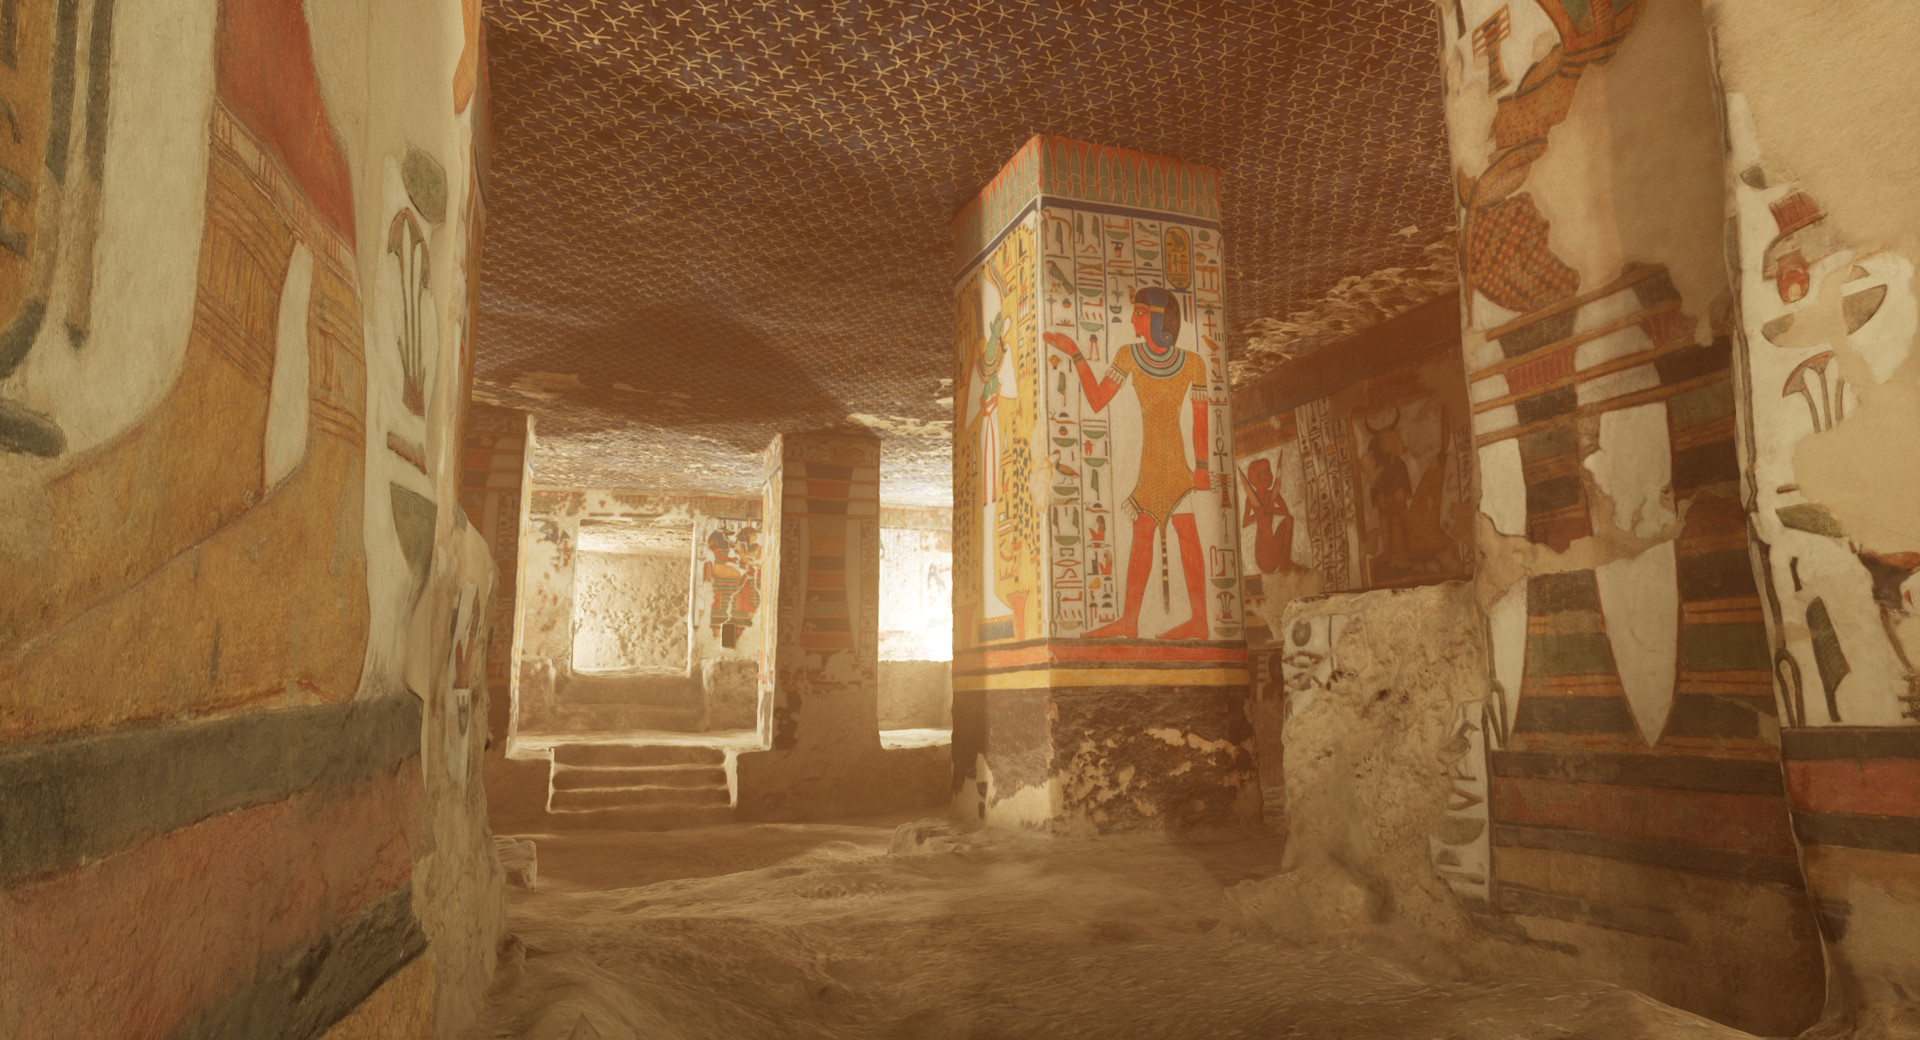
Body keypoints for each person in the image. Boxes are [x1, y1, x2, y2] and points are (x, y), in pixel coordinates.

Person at [1043, 286, 1219, 639]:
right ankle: (1131, 621)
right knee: (1145, 533)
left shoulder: (1193, 363)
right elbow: (1097, 400)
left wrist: (1202, 467)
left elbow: (1200, 420)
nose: (1132, 319)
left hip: (1177, 463)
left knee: (1185, 534)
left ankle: (1196, 620)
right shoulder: (1129, 355)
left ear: (1158, 320)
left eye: (1139, 313)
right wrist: (1076, 353)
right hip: (1151, 463)